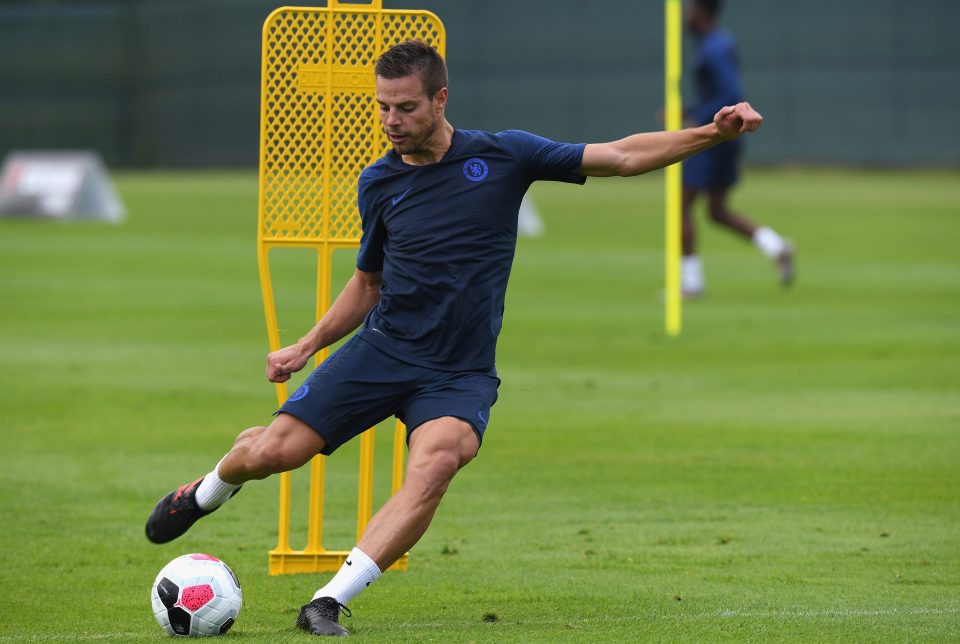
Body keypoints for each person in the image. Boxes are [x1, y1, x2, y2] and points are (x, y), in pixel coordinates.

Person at [145, 39, 763, 637]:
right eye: (383, 106)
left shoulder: (505, 155)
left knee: (438, 460)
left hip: (458, 372)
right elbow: (367, 283)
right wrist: (307, 344)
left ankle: (328, 602)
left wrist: (713, 133)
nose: (391, 119)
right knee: (274, 453)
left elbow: (623, 155)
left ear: (441, 99)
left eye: (406, 107)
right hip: (383, 351)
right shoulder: (379, 182)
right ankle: (207, 490)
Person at [681, 0, 793, 297]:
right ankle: (777, 246)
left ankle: (691, 283)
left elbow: (731, 94)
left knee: (680, 205)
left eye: (689, 9)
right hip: (723, 136)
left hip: (715, 138)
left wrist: (696, 118)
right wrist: (687, 110)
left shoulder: (715, 47)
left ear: (701, 12)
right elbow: (718, 95)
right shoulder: (715, 42)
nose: (684, 15)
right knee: (716, 211)